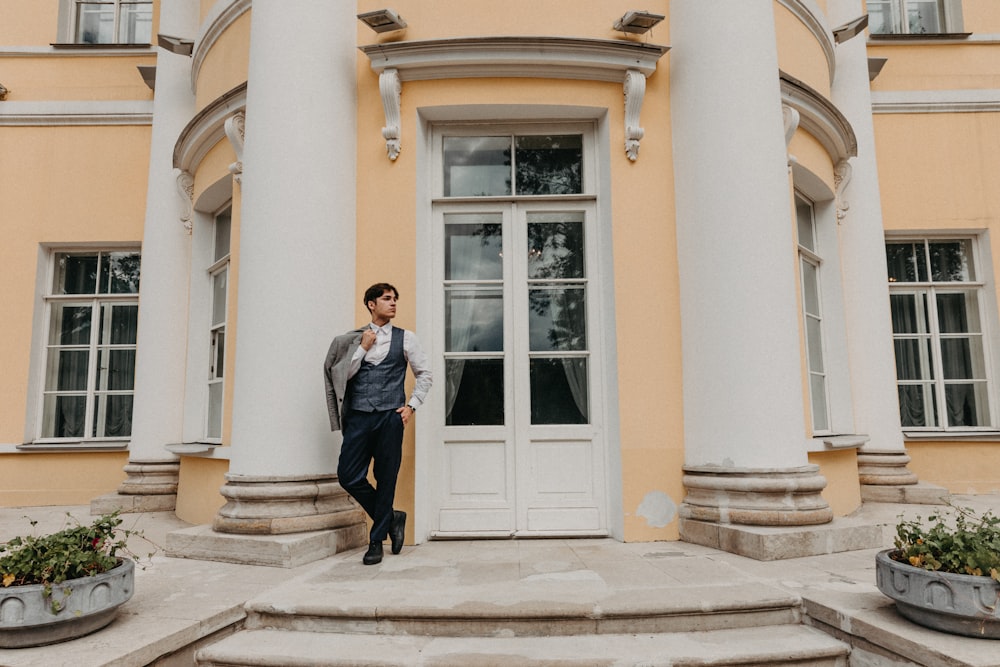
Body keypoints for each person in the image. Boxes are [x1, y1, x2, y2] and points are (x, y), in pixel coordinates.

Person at [324, 283, 432, 565]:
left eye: (395, 299)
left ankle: (376, 542)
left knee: (386, 478)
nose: (393, 303)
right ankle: (392, 518)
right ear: (371, 304)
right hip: (358, 416)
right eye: (387, 299)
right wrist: (361, 349)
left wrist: (411, 407)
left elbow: (425, 375)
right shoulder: (352, 340)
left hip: (390, 418)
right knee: (349, 476)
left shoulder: (406, 338)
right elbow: (341, 379)